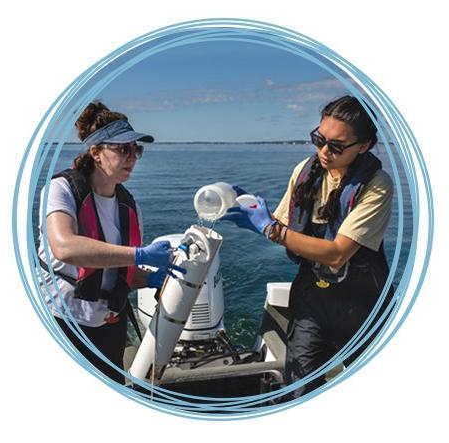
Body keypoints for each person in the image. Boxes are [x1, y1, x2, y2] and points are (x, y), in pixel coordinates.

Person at [221, 95, 394, 398]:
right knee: (299, 389)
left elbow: (338, 253)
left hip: (364, 306)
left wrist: (270, 228)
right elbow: (282, 225)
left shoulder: (377, 185)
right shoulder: (305, 171)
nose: (324, 151)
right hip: (312, 299)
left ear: (364, 145)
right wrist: (251, 210)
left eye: (337, 146)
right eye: (319, 139)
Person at [38, 101, 185, 384]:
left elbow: (118, 270)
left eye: (136, 150)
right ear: (95, 152)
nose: (132, 157)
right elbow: (64, 247)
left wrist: (153, 277)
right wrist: (140, 254)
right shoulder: (61, 189)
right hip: (62, 320)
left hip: (107, 324)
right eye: (122, 149)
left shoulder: (128, 206)